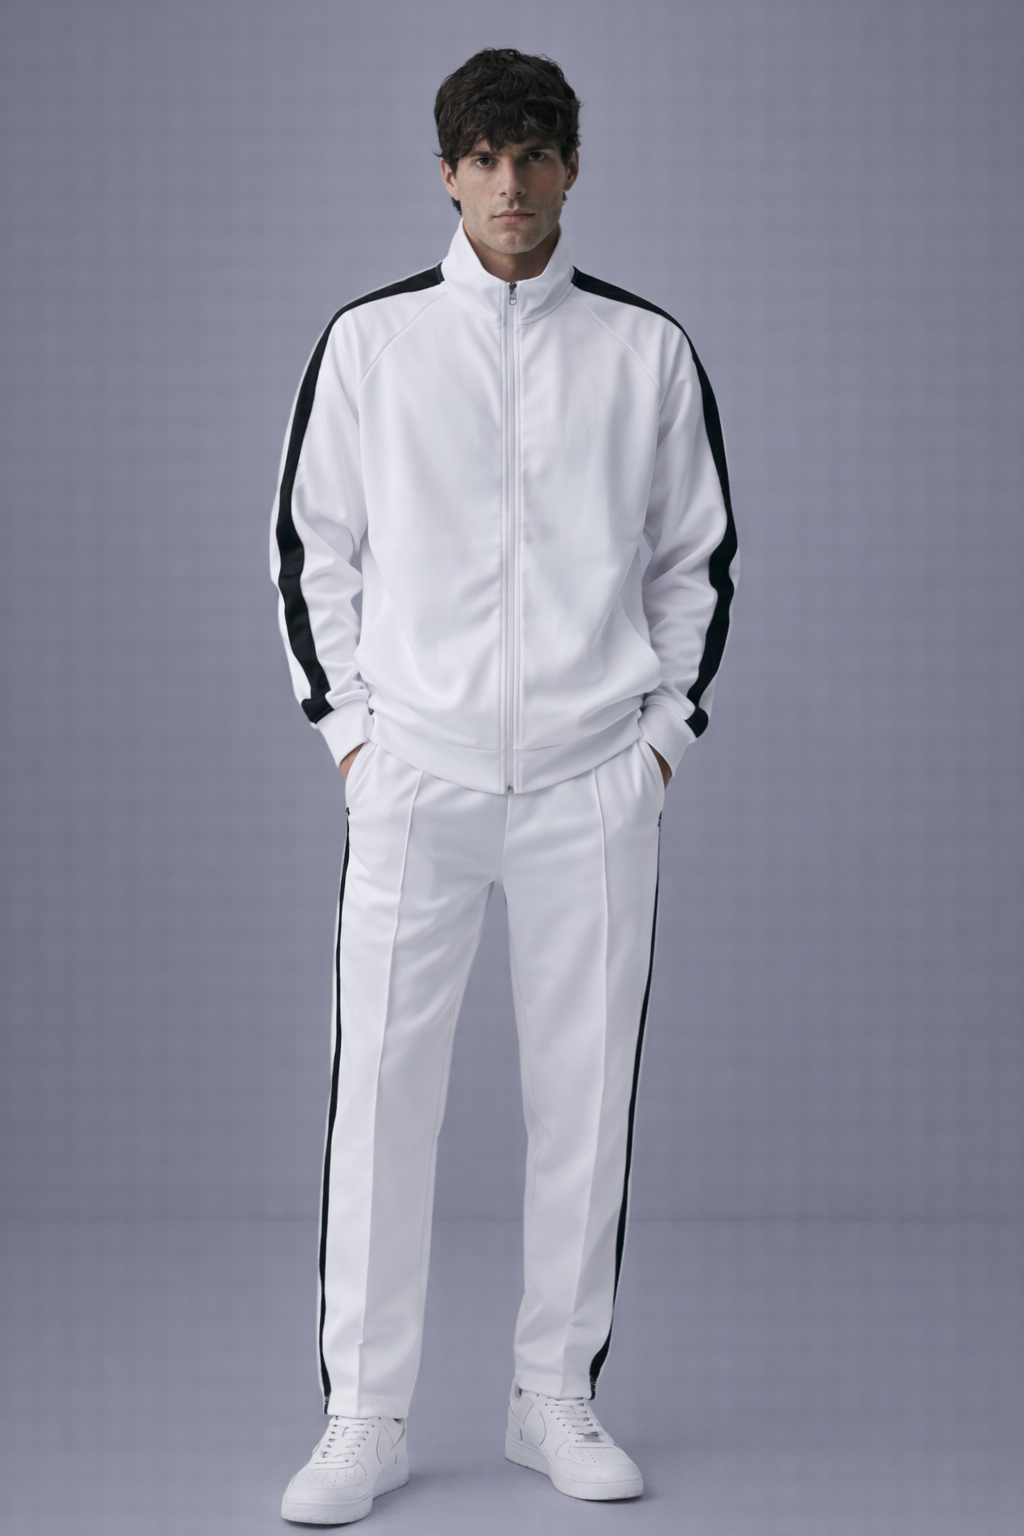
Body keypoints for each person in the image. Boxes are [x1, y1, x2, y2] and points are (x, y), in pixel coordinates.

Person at [271, 47, 737, 1526]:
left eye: (536, 153)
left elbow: (697, 560)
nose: (511, 182)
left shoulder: (645, 351)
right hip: (417, 775)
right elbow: (311, 548)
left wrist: (660, 744)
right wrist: (356, 740)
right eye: (484, 156)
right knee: (379, 1103)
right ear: (448, 172)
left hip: (595, 779)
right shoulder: (373, 344)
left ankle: (554, 1397)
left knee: (584, 1103)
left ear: (572, 168)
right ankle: (364, 1416)